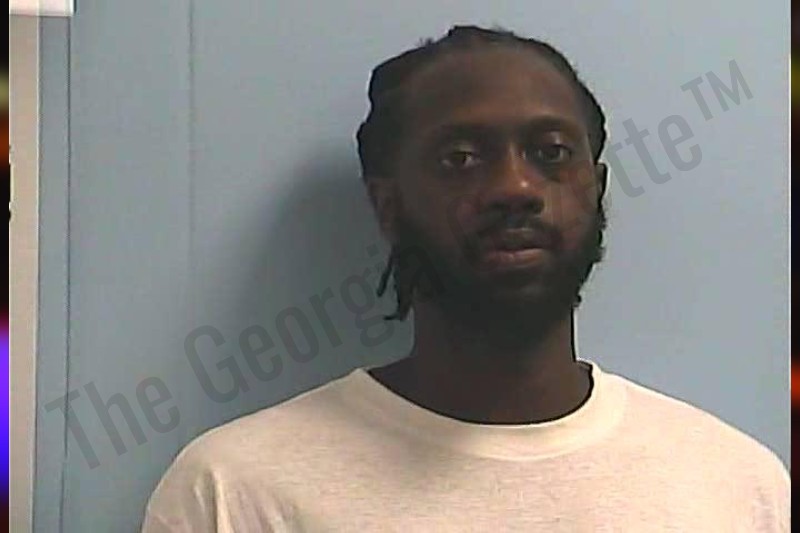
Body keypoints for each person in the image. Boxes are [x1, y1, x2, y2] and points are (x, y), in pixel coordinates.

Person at [142, 25, 789, 532]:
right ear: (388, 205)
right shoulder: (234, 493)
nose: (515, 187)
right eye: (461, 158)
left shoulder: (737, 487)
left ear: (595, 189)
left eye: (551, 153)